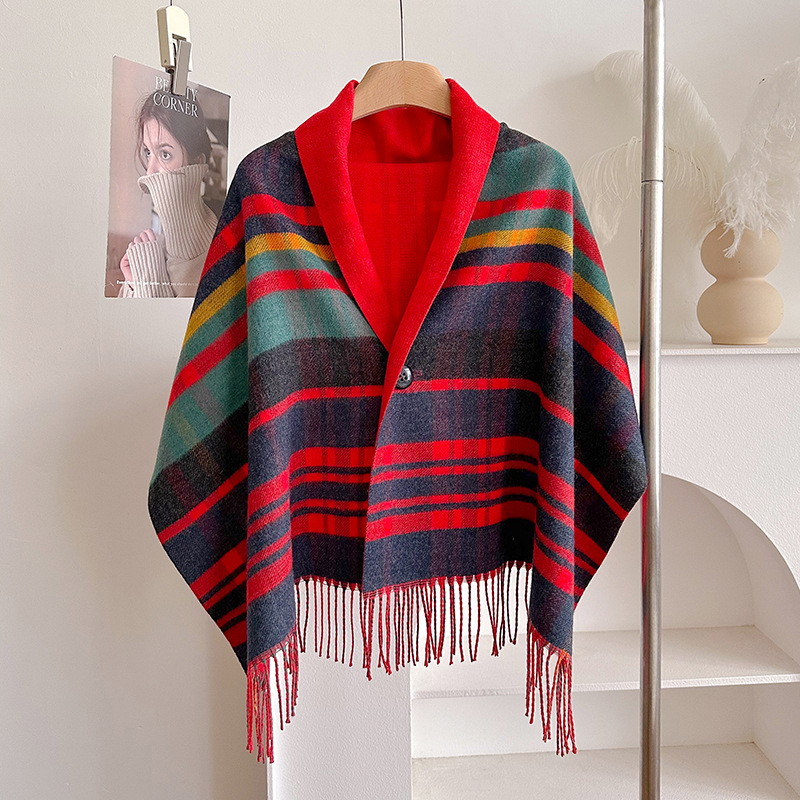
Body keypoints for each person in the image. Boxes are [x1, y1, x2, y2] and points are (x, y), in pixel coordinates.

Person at [118, 90, 218, 297]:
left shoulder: (215, 251)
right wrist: (133, 285)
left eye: (165, 154)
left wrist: (148, 285)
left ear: (197, 163)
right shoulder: (153, 250)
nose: (150, 171)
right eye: (148, 152)